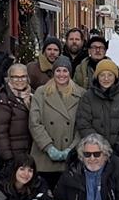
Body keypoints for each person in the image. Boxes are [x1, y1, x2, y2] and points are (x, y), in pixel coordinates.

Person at [31, 58, 82, 186]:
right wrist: (48, 147)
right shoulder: (41, 92)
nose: (61, 74)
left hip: (70, 158)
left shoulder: (81, 93)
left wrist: (71, 149)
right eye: (58, 70)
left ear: (70, 73)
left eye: (65, 70)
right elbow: (34, 122)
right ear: (53, 72)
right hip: (44, 157)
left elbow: (82, 125)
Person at [78, 59, 119, 164]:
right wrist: (99, 146)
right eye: (102, 75)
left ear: (115, 77)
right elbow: (83, 124)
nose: (106, 79)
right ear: (97, 77)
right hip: (94, 152)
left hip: (118, 153)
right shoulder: (88, 97)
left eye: (110, 75)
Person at [0, 63, 37, 172]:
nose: (20, 80)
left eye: (23, 76)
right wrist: (8, 158)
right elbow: (0, 133)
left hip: (31, 152)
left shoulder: (34, 96)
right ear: (9, 79)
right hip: (14, 156)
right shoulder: (3, 100)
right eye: (15, 77)